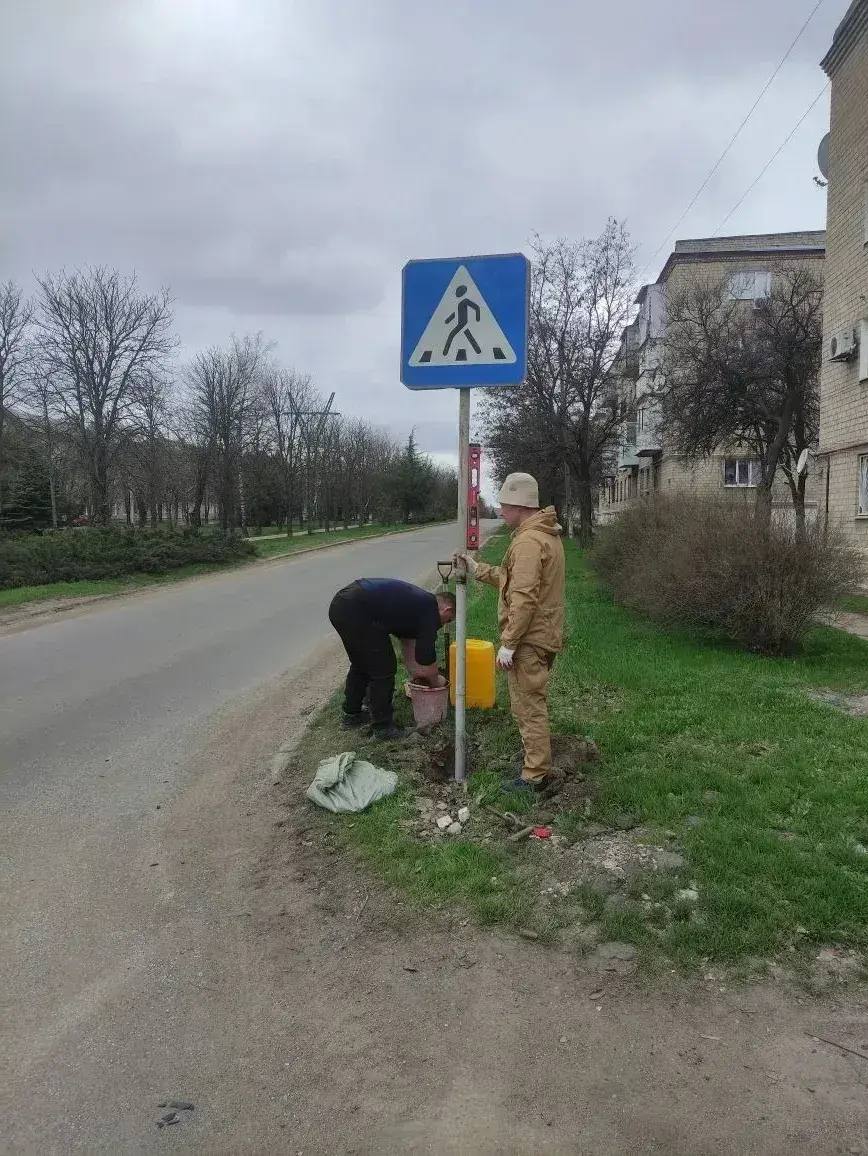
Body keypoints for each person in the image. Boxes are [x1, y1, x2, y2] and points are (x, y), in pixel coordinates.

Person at [457, 472, 565, 793]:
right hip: (543, 634)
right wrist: (478, 570)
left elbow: (525, 597)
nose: (501, 512)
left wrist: (509, 643)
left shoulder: (530, 542)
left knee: (528, 705)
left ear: (520, 505)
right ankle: (537, 761)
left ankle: (535, 777)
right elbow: (512, 579)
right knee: (530, 702)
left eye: (504, 506)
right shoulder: (545, 535)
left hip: (530, 640)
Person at [328, 578, 455, 739]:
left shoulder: (415, 607)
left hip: (341, 605)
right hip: (358, 607)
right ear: (447, 609)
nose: (444, 624)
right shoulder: (430, 608)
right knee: (383, 669)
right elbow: (425, 655)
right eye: (448, 620)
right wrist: (436, 681)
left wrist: (418, 676)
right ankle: (383, 728)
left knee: (361, 664)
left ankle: (352, 715)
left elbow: (410, 649)